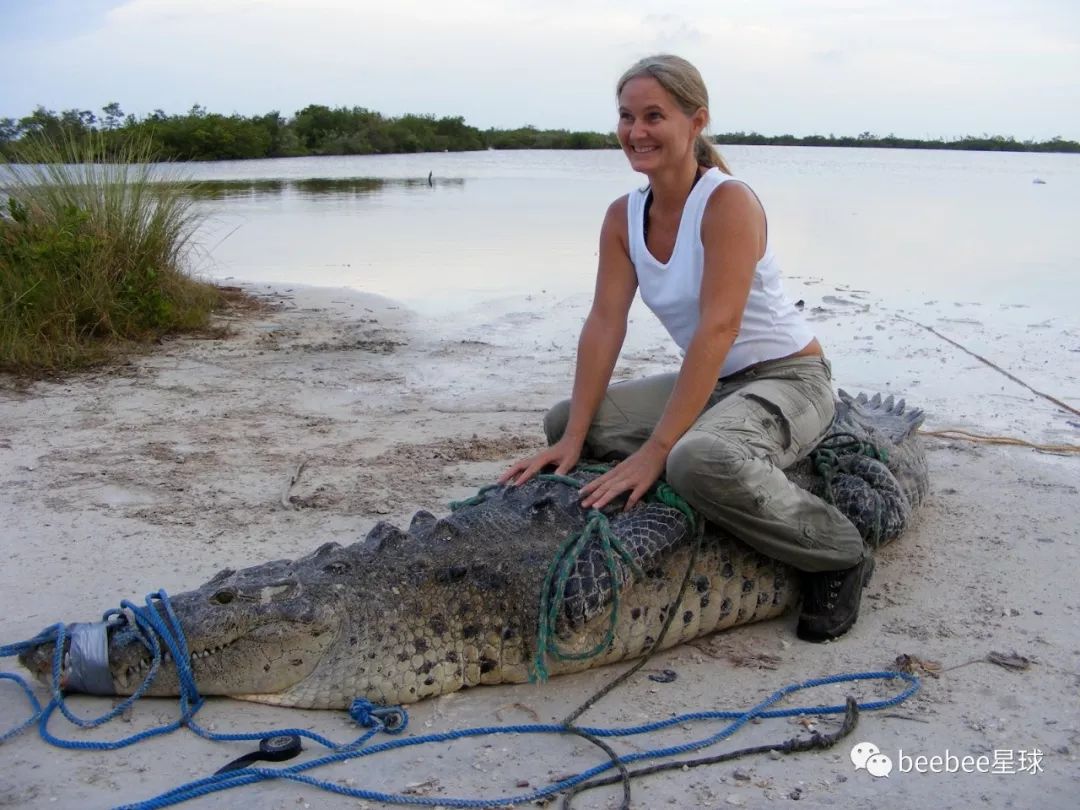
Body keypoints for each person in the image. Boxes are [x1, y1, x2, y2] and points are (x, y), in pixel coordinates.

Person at [499, 54, 872, 642]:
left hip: (790, 377)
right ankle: (690, 465)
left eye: (654, 115)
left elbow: (718, 329)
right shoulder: (623, 216)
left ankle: (836, 554)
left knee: (692, 459)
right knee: (568, 419)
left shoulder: (728, 203)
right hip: (718, 382)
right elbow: (604, 322)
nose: (636, 131)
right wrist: (572, 440)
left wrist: (657, 448)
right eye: (627, 116)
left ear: (696, 122)